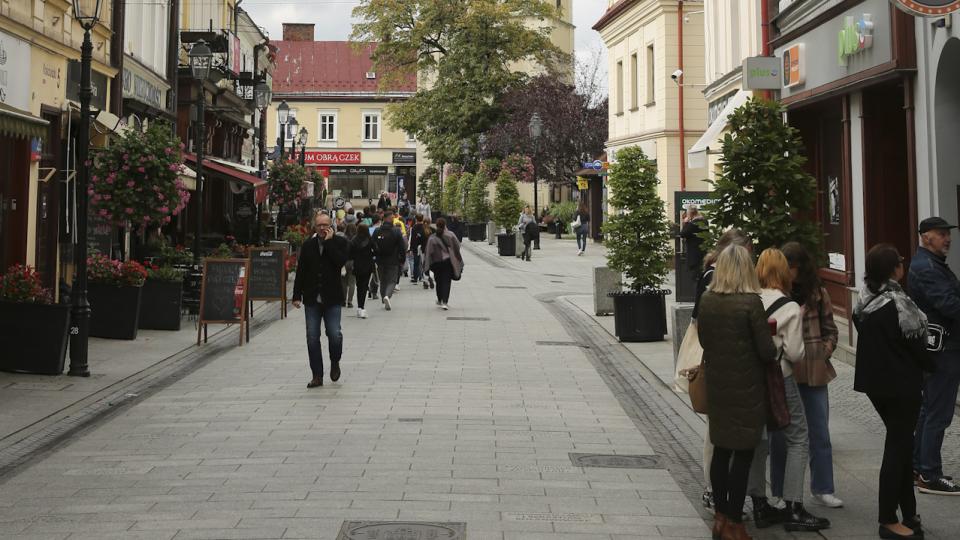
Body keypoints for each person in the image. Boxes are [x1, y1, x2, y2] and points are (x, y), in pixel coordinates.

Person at [697, 244, 778, 540]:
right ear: (746, 268)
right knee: (743, 454)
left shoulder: (707, 299)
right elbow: (766, 350)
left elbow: (705, 341)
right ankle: (734, 521)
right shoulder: (750, 303)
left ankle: (720, 516)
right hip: (747, 388)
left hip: (718, 386)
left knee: (720, 450)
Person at [855, 243, 932, 538]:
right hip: (902, 386)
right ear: (893, 270)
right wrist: (931, 364)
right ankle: (888, 519)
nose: (904, 265)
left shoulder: (865, 299)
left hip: (877, 385)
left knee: (902, 445)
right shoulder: (899, 303)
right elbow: (917, 347)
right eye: (900, 261)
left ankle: (909, 513)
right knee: (898, 448)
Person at [752, 248, 829, 532]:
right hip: (780, 378)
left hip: (751, 379)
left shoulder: (751, 300)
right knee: (798, 437)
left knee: (758, 441)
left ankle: (759, 504)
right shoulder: (789, 307)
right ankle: (794, 506)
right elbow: (796, 353)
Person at [770, 242, 842, 509]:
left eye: (790, 267)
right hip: (785, 369)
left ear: (800, 268)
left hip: (813, 369)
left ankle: (823, 488)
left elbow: (831, 330)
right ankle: (779, 492)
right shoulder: (777, 296)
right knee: (780, 436)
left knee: (819, 431)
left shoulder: (818, 294)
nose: (787, 272)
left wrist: (824, 351)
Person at [693, 228, 751, 512]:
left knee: (720, 437)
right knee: (721, 440)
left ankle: (719, 499)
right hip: (728, 373)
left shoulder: (714, 289)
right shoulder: (716, 284)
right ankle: (717, 496)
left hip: (719, 372)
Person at [909, 216, 960, 495]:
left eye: (947, 234)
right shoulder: (927, 267)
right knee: (937, 413)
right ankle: (929, 474)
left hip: (941, 348)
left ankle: (919, 467)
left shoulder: (932, 264)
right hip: (942, 350)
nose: (947, 238)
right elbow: (949, 304)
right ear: (925, 236)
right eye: (941, 234)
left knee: (930, 410)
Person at [291, 211, 349, 388]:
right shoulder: (308, 245)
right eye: (319, 225)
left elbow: (340, 263)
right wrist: (296, 295)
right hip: (312, 298)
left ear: (331, 225)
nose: (323, 228)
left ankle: (335, 361)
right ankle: (317, 375)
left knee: (334, 334)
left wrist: (330, 243)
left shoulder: (340, 242)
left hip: (332, 298)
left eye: (326, 225)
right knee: (312, 337)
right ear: (314, 227)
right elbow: (301, 271)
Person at [424, 217, 463, 310]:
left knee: (439, 281)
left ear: (436, 226)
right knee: (446, 281)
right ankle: (445, 302)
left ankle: (440, 299)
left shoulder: (432, 238)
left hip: (436, 263)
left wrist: (427, 265)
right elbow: (457, 246)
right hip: (448, 262)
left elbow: (428, 252)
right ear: (445, 225)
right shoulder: (451, 235)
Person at [373, 218, 405, 311]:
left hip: (380, 260)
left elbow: (372, 243)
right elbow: (401, 246)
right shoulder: (396, 231)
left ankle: (383, 297)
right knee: (392, 280)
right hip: (393, 260)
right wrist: (402, 258)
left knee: (383, 280)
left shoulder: (377, 231)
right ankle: (387, 295)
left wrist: (375, 254)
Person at [349, 224, 375, 319]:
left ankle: (359, 307)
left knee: (359, 285)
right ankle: (361, 307)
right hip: (367, 265)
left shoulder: (354, 240)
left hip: (357, 266)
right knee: (364, 286)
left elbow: (350, 253)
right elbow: (376, 250)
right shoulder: (370, 239)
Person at [680, 204, 708, 273]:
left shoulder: (693, 224)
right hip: (703, 251)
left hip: (694, 254)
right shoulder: (704, 221)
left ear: (690, 214)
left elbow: (682, 234)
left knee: (695, 275)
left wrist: (686, 223)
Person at [341, 223, 358, 308]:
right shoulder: (356, 239)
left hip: (344, 261)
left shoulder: (343, 238)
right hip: (353, 261)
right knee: (352, 282)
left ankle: (343, 300)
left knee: (343, 282)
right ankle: (350, 301)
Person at [409, 214, 426, 284]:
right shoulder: (425, 227)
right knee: (422, 262)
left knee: (416, 262)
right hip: (423, 247)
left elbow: (412, 239)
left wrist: (411, 248)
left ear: (416, 219)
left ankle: (415, 277)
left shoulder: (414, 227)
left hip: (416, 247)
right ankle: (421, 276)